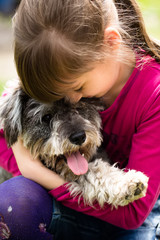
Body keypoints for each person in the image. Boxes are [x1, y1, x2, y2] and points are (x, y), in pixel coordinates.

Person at [0, 0, 160, 239]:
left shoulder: (153, 94)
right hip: (59, 208)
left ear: (112, 43)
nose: (73, 98)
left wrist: (37, 173)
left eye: (77, 88)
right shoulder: (65, 72)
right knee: (12, 203)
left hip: (127, 217)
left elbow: (133, 212)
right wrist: (24, 163)